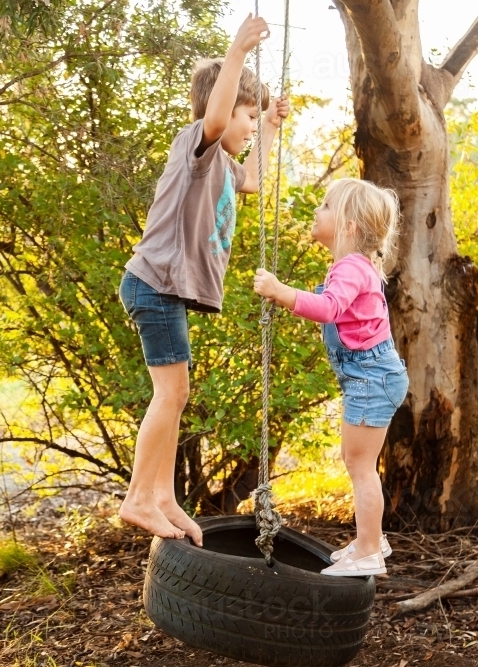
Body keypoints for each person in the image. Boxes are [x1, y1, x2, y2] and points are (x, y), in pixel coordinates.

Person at [118, 14, 291, 547]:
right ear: (221, 108)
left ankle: (164, 496)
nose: (244, 125)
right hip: (155, 282)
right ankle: (139, 498)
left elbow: (257, 180)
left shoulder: (228, 167)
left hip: (163, 289)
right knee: (171, 392)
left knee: (177, 392)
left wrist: (268, 126)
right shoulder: (199, 146)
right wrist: (237, 50)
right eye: (245, 114)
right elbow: (217, 118)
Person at [252, 178, 407, 576]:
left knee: (359, 465)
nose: (316, 211)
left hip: (372, 376)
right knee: (357, 460)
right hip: (371, 375)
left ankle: (370, 551)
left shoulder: (352, 268)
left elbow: (329, 309)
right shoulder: (352, 266)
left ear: (349, 226)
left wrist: (281, 291)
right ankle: (369, 538)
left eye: (324, 205)